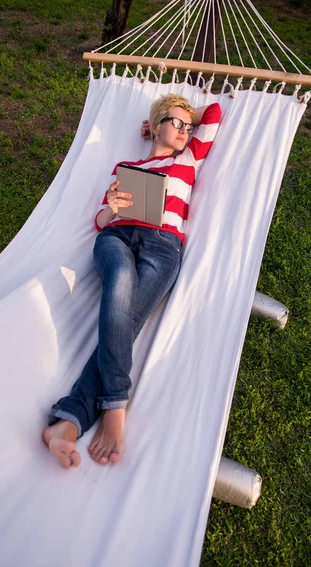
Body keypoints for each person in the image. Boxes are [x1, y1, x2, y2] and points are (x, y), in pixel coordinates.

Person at [42, 93, 221, 468]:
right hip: (117, 238)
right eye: (175, 124)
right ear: (156, 127)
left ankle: (68, 422)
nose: (184, 131)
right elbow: (101, 222)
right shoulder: (128, 165)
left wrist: (184, 111)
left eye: (188, 127)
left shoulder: (186, 160)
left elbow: (215, 113)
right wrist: (113, 206)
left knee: (126, 321)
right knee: (121, 278)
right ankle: (115, 407)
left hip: (163, 246)